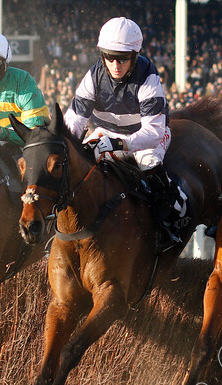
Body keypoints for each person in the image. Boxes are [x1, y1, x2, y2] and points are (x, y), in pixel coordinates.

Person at [63, 17, 180, 252]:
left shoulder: (147, 75)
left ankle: (169, 221)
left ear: (134, 56)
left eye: (123, 58)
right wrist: (67, 145)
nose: (115, 65)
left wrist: (120, 143)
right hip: (106, 132)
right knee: (76, 163)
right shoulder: (94, 75)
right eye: (109, 57)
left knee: (148, 163)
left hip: (145, 136)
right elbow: (74, 119)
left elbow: (154, 131)